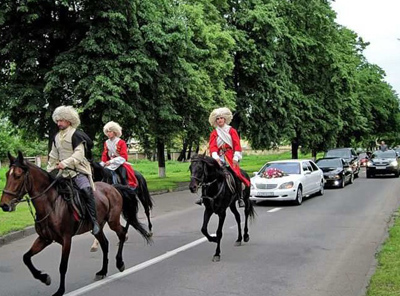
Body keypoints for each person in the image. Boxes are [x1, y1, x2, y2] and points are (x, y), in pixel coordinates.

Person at [47, 105, 100, 235]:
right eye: (58, 120)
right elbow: (53, 155)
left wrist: (65, 163)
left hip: (78, 171)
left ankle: (94, 222)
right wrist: (49, 169)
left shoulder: (76, 134)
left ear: (69, 121)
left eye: (62, 120)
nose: (59, 123)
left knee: (86, 191)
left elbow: (78, 154)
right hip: (63, 173)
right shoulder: (56, 137)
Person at [196, 107, 250, 207]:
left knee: (235, 174)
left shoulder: (232, 131)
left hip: (230, 156)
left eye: (221, 118)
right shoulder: (214, 133)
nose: (220, 120)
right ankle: (203, 197)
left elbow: (237, 144)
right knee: (207, 173)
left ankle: (240, 197)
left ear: (224, 119)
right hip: (218, 156)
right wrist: (215, 156)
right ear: (216, 121)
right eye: (218, 118)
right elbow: (213, 146)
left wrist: (236, 157)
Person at [100, 121, 138, 189]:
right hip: (110, 164)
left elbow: (124, 157)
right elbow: (105, 155)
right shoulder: (106, 142)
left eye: (110, 131)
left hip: (120, 163)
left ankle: (127, 189)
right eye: (107, 132)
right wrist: (103, 163)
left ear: (115, 132)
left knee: (123, 176)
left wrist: (111, 161)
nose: (108, 133)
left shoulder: (121, 142)